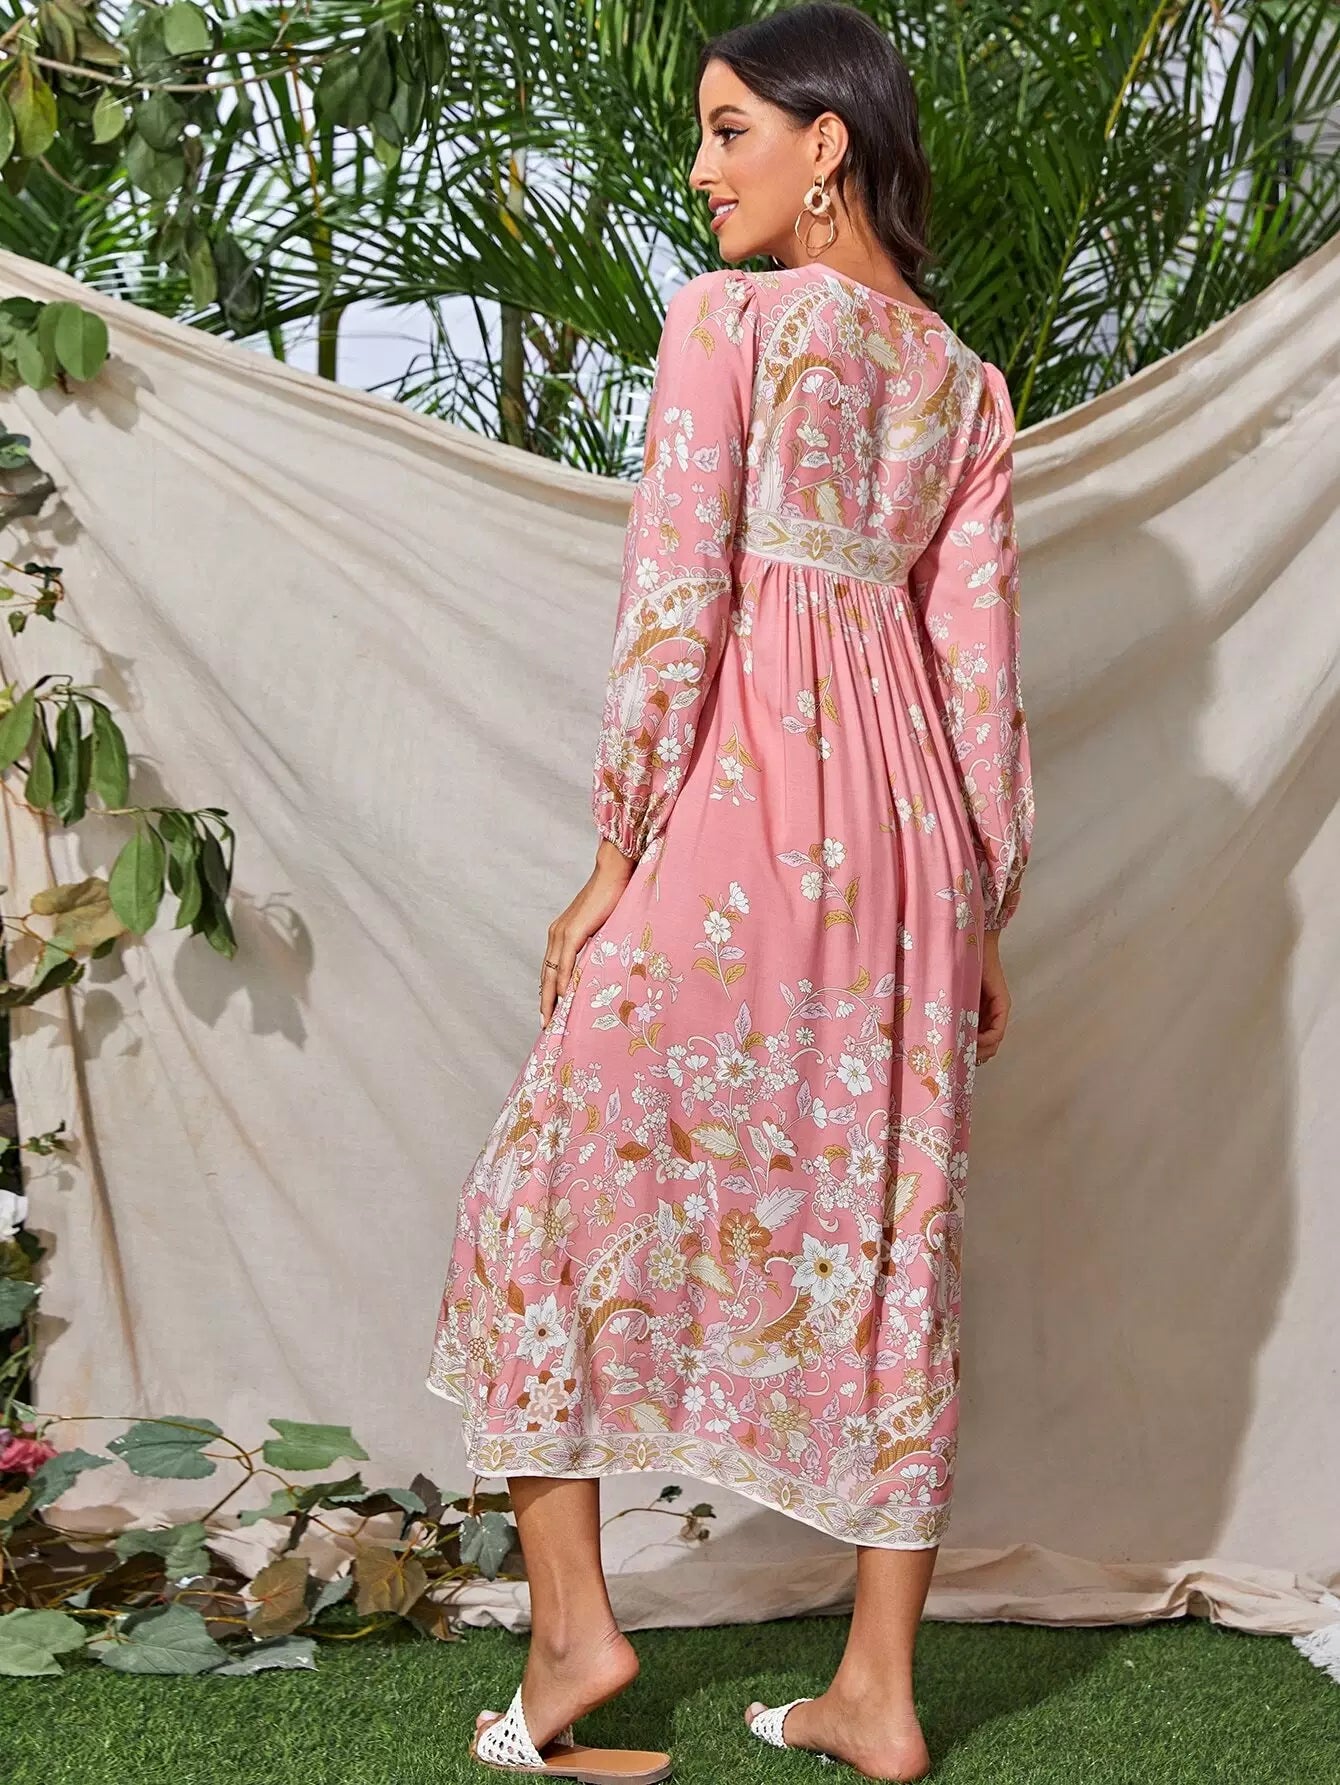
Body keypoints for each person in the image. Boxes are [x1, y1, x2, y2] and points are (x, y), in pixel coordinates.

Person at [426, 5, 1035, 1780]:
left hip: (750, 804)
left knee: (542, 1197)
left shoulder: (733, 321)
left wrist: (615, 850)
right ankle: (878, 1692)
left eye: (729, 131)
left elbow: (678, 589)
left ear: (824, 144)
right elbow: (980, 670)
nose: (701, 170)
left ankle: (574, 1633)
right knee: (890, 1232)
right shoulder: (966, 383)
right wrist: (981, 906)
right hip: (913, 848)